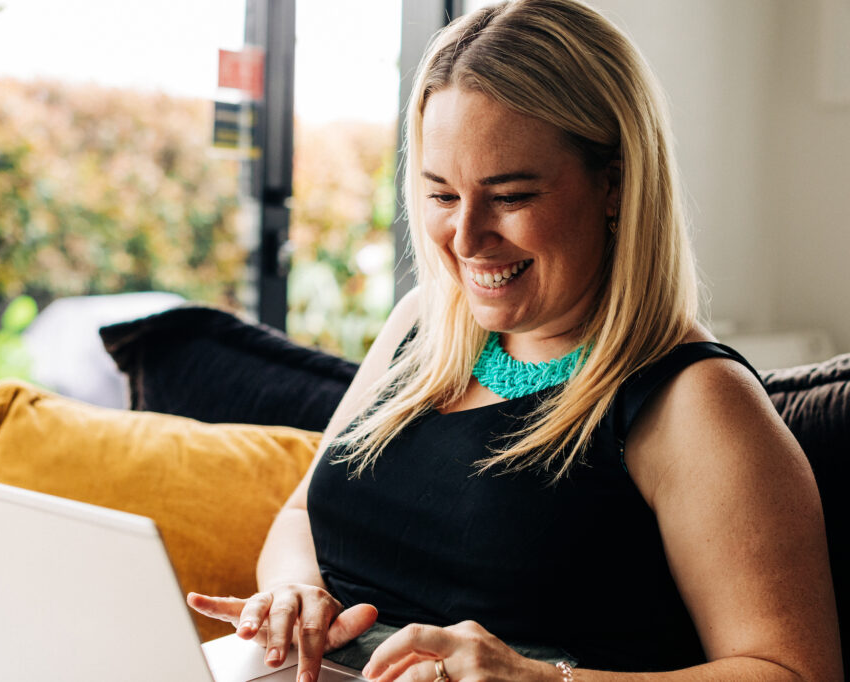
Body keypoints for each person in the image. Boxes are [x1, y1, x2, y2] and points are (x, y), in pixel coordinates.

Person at [188, 0, 843, 679]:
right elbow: (302, 512)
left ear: (615, 183)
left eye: (509, 196)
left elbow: (794, 672)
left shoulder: (696, 401)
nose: (466, 239)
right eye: (442, 195)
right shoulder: (422, 324)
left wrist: (539, 680)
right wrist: (297, 591)